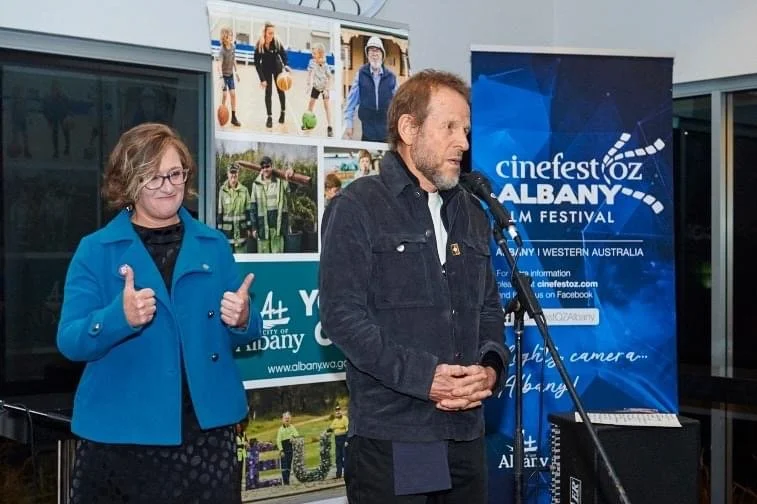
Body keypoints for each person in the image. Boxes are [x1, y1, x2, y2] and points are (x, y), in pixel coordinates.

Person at [320, 69, 509, 503]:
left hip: (465, 432)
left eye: (465, 130)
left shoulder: (473, 213)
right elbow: (343, 318)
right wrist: (426, 379)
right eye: (449, 127)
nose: (462, 142)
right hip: (397, 433)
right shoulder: (358, 207)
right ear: (409, 129)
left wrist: (489, 370)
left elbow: (489, 309)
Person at [57, 122, 263, 504]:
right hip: (121, 440)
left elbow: (248, 329)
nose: (168, 186)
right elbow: (70, 340)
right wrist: (119, 318)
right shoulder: (97, 249)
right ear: (128, 184)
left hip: (205, 437)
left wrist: (244, 317)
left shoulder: (213, 244)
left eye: (175, 174)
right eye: (153, 177)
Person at [343, 36, 397, 142]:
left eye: (377, 51)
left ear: (382, 55)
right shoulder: (361, 74)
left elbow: (398, 103)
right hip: (367, 130)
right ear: (367, 55)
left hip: (386, 132)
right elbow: (351, 102)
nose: (374, 54)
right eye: (371, 51)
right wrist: (349, 124)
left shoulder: (391, 77)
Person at [250, 156, 294, 254]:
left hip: (278, 227)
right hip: (262, 228)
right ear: (261, 169)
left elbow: (292, 192)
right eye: (263, 167)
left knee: (278, 260)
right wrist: (254, 227)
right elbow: (253, 208)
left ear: (272, 166)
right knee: (263, 262)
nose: (265, 169)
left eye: (267, 166)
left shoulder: (281, 181)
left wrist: (291, 174)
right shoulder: (256, 184)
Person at [254, 22, 289, 129]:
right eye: (269, 33)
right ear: (264, 32)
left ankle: (283, 112)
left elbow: (284, 55)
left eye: (273, 33)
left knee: (280, 90)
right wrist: (262, 79)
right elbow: (256, 63)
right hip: (266, 69)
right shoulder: (259, 44)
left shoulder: (277, 42)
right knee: (268, 93)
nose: (271, 35)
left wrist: (285, 67)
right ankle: (269, 117)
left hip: (277, 67)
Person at [217, 165, 253, 253]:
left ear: (238, 174)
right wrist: (219, 231)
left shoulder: (244, 190)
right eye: (231, 173)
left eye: (235, 173)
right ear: (227, 174)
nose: (233, 175)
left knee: (241, 263)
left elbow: (249, 211)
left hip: (241, 233)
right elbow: (220, 212)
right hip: (227, 234)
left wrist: (249, 228)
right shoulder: (222, 191)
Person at [303, 42, 333, 137]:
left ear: (320, 54)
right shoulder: (312, 62)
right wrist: (308, 84)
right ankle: (307, 123)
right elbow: (309, 74)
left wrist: (327, 89)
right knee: (310, 105)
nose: (312, 54)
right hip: (316, 86)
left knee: (326, 107)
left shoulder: (325, 65)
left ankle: (330, 127)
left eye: (314, 53)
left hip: (324, 87)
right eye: (312, 53)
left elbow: (330, 77)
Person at [219, 27, 242, 127]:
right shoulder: (222, 51)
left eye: (232, 35)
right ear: (225, 37)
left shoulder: (233, 47)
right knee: (224, 95)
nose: (231, 37)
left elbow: (233, 60)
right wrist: (221, 79)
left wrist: (236, 72)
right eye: (229, 36)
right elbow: (219, 65)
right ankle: (222, 113)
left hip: (231, 75)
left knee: (233, 94)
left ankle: (233, 117)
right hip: (223, 76)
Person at [276, 411, 300, 485]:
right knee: (284, 466)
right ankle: (285, 481)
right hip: (284, 449)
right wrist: (281, 450)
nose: (287, 420)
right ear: (283, 419)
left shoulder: (292, 427)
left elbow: (297, 434)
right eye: (285, 418)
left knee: (289, 465)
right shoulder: (280, 429)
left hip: (290, 448)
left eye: (288, 418)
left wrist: (293, 437)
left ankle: (288, 480)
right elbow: (278, 440)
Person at [327, 405, 349, 479]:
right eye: (336, 411)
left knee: (344, 457)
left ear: (341, 411)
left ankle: (347, 473)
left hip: (343, 439)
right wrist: (326, 432)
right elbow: (330, 428)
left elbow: (348, 430)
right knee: (338, 457)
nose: (338, 412)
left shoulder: (345, 419)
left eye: (339, 410)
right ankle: (338, 474)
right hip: (337, 440)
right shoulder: (335, 420)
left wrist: (347, 441)